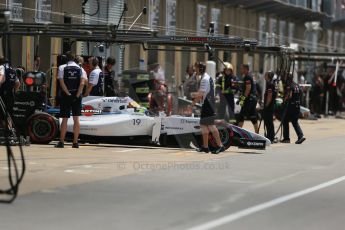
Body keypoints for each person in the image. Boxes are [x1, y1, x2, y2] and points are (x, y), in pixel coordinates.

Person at [55, 51, 87, 148]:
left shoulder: (62, 67)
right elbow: (82, 83)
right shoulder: (80, 68)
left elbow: (61, 82)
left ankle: (61, 142)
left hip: (66, 95)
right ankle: (75, 142)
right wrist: (77, 95)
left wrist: (68, 93)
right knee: (76, 119)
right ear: (74, 59)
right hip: (77, 95)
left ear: (66, 58)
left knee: (64, 119)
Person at [191, 62, 224, 154]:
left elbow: (200, 94)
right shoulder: (206, 77)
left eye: (196, 68)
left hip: (208, 104)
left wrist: (192, 102)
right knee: (203, 125)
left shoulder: (205, 79)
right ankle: (205, 147)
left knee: (210, 126)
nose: (195, 70)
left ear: (200, 69)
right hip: (208, 103)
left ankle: (220, 146)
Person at [281, 74, 306, 144]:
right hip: (297, 106)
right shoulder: (297, 85)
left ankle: (286, 138)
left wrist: (284, 101)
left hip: (291, 106)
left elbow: (289, 95)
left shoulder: (289, 85)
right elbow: (301, 93)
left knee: (285, 120)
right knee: (295, 122)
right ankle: (300, 136)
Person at [237, 64, 259, 133]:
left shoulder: (247, 77)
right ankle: (257, 133)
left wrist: (242, 99)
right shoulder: (250, 76)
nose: (241, 70)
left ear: (246, 69)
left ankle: (237, 133)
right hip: (253, 99)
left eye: (242, 68)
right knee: (253, 117)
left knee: (241, 116)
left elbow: (248, 89)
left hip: (249, 99)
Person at [262, 71, 277, 143]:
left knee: (269, 122)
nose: (264, 76)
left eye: (265, 75)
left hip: (269, 106)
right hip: (270, 106)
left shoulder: (270, 84)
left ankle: (271, 137)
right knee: (268, 122)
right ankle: (269, 136)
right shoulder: (270, 84)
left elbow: (269, 96)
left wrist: (266, 105)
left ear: (268, 76)